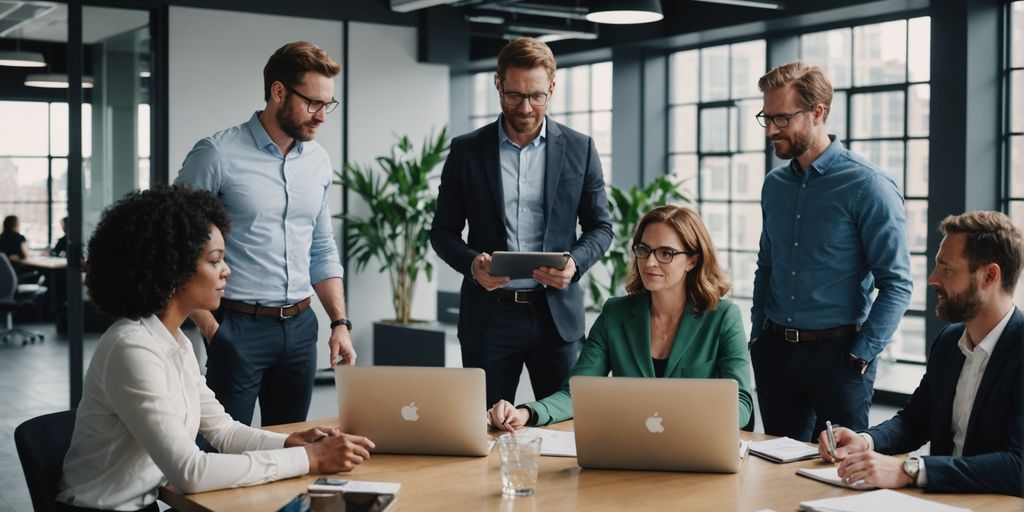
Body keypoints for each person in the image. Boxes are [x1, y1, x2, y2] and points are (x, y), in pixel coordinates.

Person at [56, 186, 374, 512]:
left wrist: (291, 442)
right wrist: (311, 459)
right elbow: (191, 472)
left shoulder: (175, 341)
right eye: (215, 260)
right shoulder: (131, 348)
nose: (227, 270)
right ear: (171, 270)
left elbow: (223, 430)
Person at [175, 41, 354, 426]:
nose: (322, 116)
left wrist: (339, 323)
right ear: (278, 92)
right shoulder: (216, 155)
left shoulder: (318, 161)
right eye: (313, 103)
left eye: (328, 105)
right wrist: (210, 327)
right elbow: (173, 243)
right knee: (221, 450)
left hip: (302, 327)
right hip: (237, 326)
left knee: (290, 445)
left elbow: (321, 247)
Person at [431, 37, 613, 408]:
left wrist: (575, 264)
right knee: (484, 430)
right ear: (498, 84)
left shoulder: (580, 148)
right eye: (514, 95)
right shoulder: (467, 151)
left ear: (552, 88)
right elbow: (442, 232)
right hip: (490, 316)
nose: (526, 107)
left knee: (564, 425)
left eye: (537, 96)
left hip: (556, 316)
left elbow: (601, 227)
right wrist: (472, 266)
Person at [749, 61, 913, 442]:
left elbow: (898, 283)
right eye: (766, 117)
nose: (772, 130)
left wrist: (860, 355)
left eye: (782, 118)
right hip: (776, 353)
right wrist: (758, 335)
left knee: (839, 473)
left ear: (818, 112)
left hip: (840, 358)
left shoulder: (868, 186)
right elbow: (767, 266)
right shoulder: (774, 185)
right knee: (777, 471)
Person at [488, 205, 753, 430]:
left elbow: (741, 403)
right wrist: (525, 413)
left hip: (698, 446)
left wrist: (690, 422)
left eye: (665, 253)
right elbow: (578, 392)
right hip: (631, 448)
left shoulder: (723, 317)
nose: (650, 263)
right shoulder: (616, 313)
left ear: (692, 261)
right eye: (644, 250)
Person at [818, 211, 1023, 496]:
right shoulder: (949, 342)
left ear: (990, 275)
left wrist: (910, 470)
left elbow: (1019, 466)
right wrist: (865, 441)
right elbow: (915, 421)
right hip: (940, 501)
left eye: (947, 269)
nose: (932, 279)